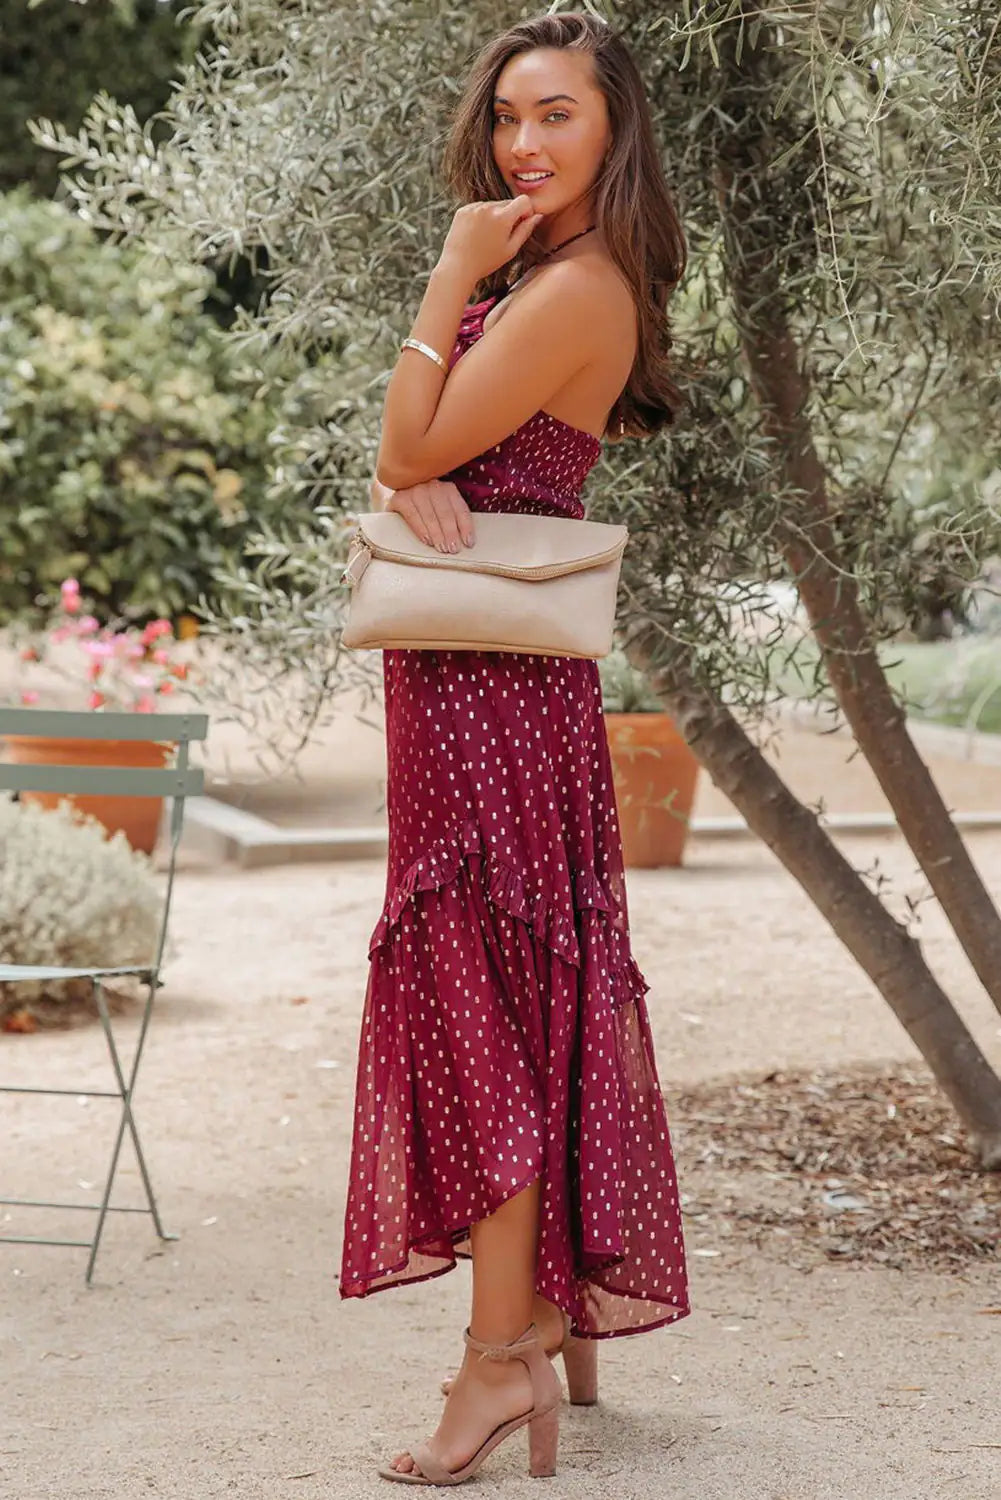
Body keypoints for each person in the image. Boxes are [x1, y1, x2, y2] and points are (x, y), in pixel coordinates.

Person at [338, 10, 690, 1485]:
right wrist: (426, 446)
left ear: (613, 133)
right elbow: (417, 452)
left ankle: (496, 1365)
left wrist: (445, 279)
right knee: (511, 984)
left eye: (554, 116)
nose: (522, 144)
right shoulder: (556, 276)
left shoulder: (568, 284)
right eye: (505, 118)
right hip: (474, 681)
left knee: (481, 997)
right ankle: (541, 1316)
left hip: (488, 695)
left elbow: (406, 451)